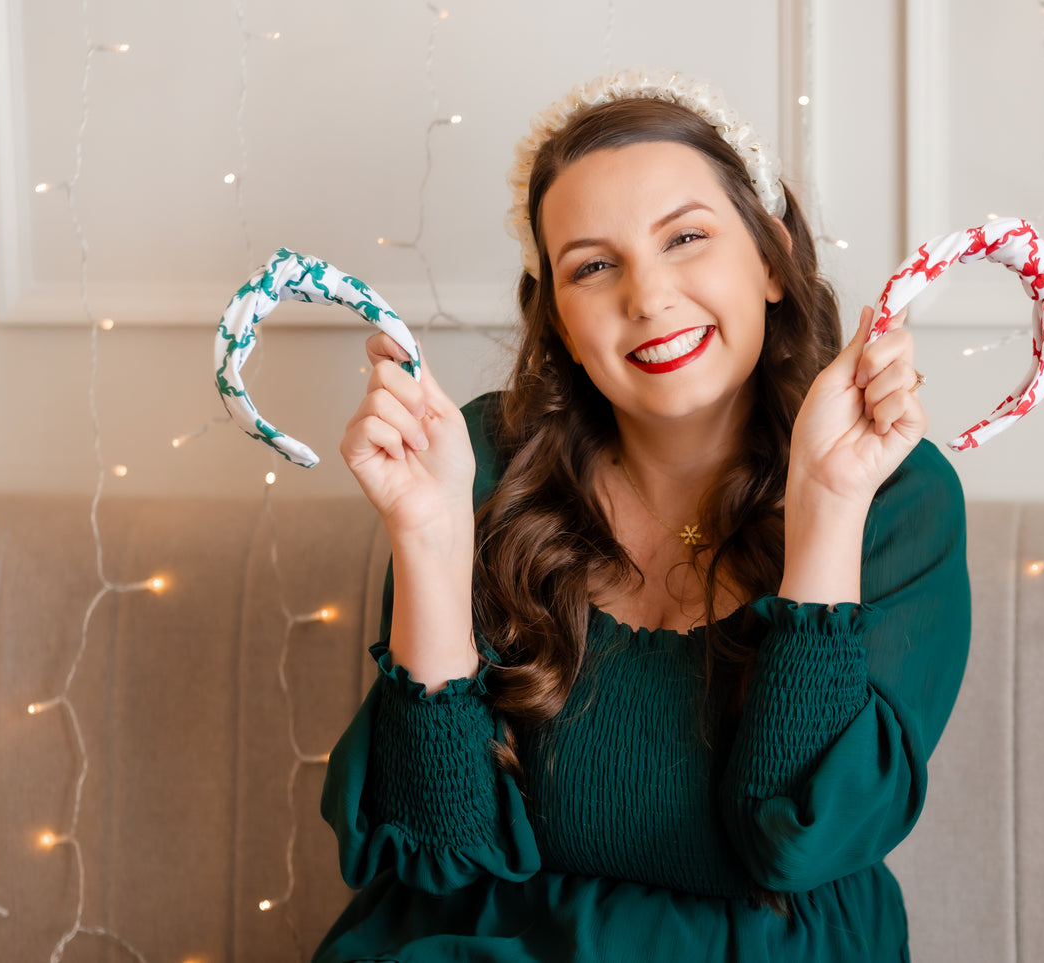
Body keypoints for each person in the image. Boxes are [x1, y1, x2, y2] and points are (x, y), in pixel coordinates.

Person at [317, 68, 972, 962]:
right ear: (557, 315)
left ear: (772, 259)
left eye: (687, 238)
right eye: (592, 265)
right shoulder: (478, 463)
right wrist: (428, 540)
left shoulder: (896, 490)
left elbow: (795, 843)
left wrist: (826, 504)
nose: (648, 295)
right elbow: (437, 852)